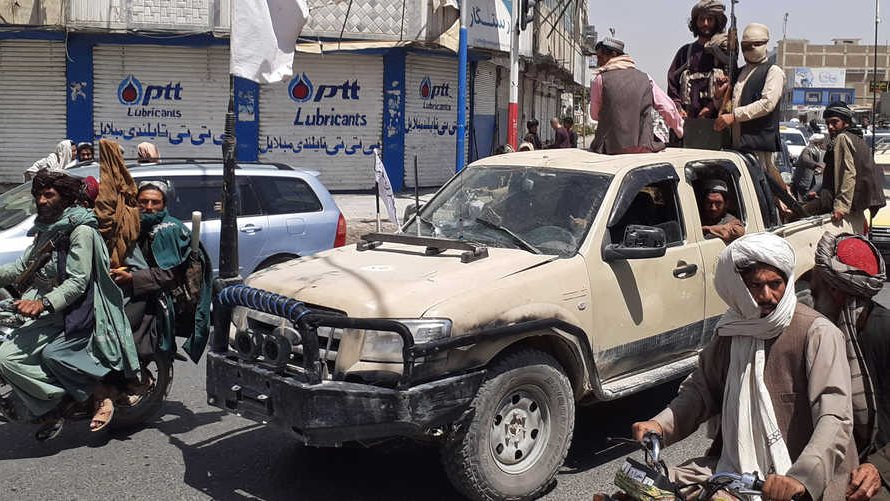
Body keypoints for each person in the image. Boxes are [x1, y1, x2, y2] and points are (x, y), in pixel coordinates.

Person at [632, 233, 856, 501]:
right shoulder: (731, 331)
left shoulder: (817, 333)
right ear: (738, 287)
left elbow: (834, 417)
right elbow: (701, 391)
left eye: (775, 284)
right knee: (645, 489)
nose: (767, 295)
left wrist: (801, 477)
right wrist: (659, 425)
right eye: (756, 285)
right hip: (735, 469)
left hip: (798, 478)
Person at [0, 170, 139, 439]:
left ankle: (55, 403)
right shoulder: (49, 229)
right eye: (38, 195)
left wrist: (43, 304)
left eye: (48, 194)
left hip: (70, 311)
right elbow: (21, 267)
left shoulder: (81, 231)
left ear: (66, 198)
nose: (41, 200)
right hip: (44, 306)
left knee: (6, 357)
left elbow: (78, 282)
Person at [809, 233, 890, 501]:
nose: (811, 286)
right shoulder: (819, 333)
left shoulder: (883, 331)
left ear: (835, 291)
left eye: (817, 280)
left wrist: (879, 467)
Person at [110, 180, 212, 365]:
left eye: (155, 202)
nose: (149, 207)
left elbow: (169, 274)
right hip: (138, 288)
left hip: (160, 296)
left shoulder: (168, 230)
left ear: (164, 204)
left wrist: (132, 277)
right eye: (143, 201)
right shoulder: (135, 225)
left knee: (122, 333)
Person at [714, 23, 787, 191]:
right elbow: (725, 108)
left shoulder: (773, 71)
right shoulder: (739, 73)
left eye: (756, 44)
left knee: (764, 190)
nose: (751, 49)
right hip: (737, 146)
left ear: (765, 44)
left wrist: (735, 116)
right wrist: (719, 94)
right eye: (747, 46)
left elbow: (767, 104)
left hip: (758, 146)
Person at [590, 37, 684, 154]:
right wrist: (680, 132)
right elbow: (667, 108)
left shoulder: (599, 80)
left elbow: (594, 115)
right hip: (643, 148)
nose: (598, 62)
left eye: (600, 57)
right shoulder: (646, 78)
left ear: (613, 55)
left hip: (608, 149)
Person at [804, 102, 886, 234]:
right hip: (854, 211)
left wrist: (841, 207)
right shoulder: (857, 138)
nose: (830, 127)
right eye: (828, 123)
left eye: (835, 122)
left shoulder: (842, 138)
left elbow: (848, 173)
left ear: (846, 123)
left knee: (794, 215)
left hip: (836, 208)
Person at [668, 0, 731, 119]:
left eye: (710, 19)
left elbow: (732, 84)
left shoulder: (724, 53)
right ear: (695, 22)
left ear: (716, 22)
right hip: (687, 121)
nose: (705, 23)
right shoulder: (685, 52)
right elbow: (672, 83)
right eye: (701, 19)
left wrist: (711, 107)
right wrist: (678, 108)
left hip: (716, 122)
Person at [699, 179, 745, 243]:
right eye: (709, 203)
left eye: (718, 203)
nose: (713, 208)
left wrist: (707, 229)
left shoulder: (730, 220)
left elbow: (738, 232)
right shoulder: (698, 218)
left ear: (726, 204)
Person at [791, 133, 827, 201]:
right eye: (820, 143)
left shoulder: (819, 151)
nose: (822, 144)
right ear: (816, 143)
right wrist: (816, 165)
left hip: (812, 180)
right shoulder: (807, 150)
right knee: (803, 198)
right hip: (803, 179)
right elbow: (805, 159)